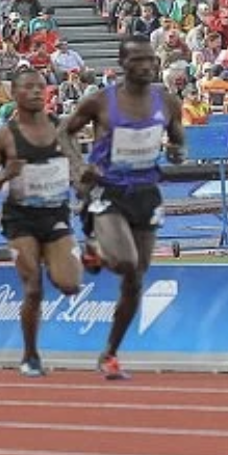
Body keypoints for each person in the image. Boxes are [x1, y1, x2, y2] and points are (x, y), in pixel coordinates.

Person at [60, 35, 185, 380]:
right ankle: (97, 246)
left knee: (135, 277)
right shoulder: (100, 101)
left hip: (146, 193)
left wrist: (177, 151)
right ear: (122, 64)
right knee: (126, 262)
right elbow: (64, 132)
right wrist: (78, 166)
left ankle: (110, 353)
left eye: (150, 59)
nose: (145, 65)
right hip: (108, 190)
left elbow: (178, 141)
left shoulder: (168, 102)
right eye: (137, 59)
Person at [0, 67, 82, 377]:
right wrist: (5, 176)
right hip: (20, 219)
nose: (36, 92)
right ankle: (30, 354)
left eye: (40, 87)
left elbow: (77, 168)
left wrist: (84, 181)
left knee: (70, 285)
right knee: (33, 288)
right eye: (29, 87)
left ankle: (65, 257)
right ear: (14, 93)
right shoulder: (3, 136)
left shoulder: (62, 129)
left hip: (56, 215)